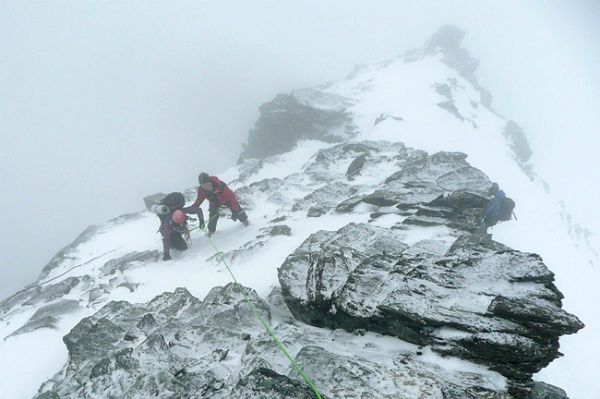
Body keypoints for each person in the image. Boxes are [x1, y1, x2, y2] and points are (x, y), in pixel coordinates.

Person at [155, 192, 205, 261]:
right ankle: (172, 244)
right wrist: (166, 254)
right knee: (182, 247)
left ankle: (179, 236)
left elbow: (198, 210)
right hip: (172, 233)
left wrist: (201, 221)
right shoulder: (167, 225)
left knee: (181, 229)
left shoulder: (182, 211)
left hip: (179, 229)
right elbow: (165, 238)